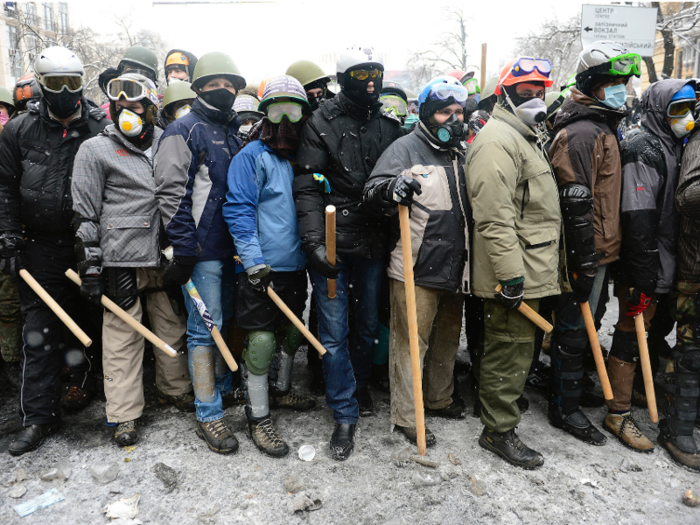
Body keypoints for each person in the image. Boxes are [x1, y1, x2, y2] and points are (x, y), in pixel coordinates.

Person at [72, 73, 194, 446]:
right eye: (120, 103)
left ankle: (174, 389)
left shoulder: (169, 142)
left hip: (161, 253)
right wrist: (91, 265)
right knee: (123, 336)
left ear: (152, 107)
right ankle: (124, 414)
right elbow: (84, 213)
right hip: (119, 257)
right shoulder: (95, 149)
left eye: (136, 104)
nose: (127, 109)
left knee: (170, 324)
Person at [294, 45, 403, 460]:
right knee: (334, 332)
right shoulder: (320, 122)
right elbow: (306, 186)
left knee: (368, 324)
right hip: (334, 239)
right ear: (343, 78)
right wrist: (315, 243)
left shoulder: (389, 126)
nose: (371, 81)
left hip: (374, 241)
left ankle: (357, 388)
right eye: (360, 74)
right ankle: (343, 411)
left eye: (375, 72)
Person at [0, 46, 109, 455]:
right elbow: (5, 186)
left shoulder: (101, 127)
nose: (66, 92)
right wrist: (9, 233)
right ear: (41, 86)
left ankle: (95, 391)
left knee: (95, 321)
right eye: (55, 84)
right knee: (39, 332)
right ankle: (38, 417)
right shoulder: (19, 130)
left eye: (73, 83)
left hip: (91, 242)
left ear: (83, 83)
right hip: (41, 246)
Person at [363, 76, 470, 446]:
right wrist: (390, 190)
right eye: (444, 111)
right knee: (411, 341)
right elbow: (372, 191)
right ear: (426, 113)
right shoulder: (404, 148)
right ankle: (407, 415)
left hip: (456, 264)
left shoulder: (462, 151)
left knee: (447, 338)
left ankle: (439, 397)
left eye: (458, 111)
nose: (452, 119)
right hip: (416, 263)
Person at [466, 57, 560, 469]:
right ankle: (497, 431)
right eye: (525, 91)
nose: (535, 97)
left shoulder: (526, 135)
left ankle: (501, 419)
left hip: (534, 263)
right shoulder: (496, 141)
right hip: (516, 268)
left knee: (518, 350)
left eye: (540, 90)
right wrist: (510, 276)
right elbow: (494, 216)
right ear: (503, 94)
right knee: (509, 349)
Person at [547, 42, 641, 449]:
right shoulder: (582, 132)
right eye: (614, 83)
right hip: (587, 253)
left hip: (605, 250)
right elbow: (574, 203)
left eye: (624, 82)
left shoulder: (605, 126)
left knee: (587, 326)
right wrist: (583, 261)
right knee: (572, 329)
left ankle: (571, 386)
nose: (622, 89)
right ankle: (563, 406)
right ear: (595, 85)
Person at [155, 51, 245, 455]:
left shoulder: (233, 132)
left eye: (229, 85)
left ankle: (223, 391)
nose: (223, 91)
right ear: (198, 88)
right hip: (201, 250)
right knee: (204, 330)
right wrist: (183, 249)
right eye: (214, 84)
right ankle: (208, 413)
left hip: (232, 249)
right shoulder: (184, 129)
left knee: (224, 323)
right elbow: (172, 192)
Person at [225, 75, 316, 457]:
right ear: (263, 113)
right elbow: (239, 209)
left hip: (296, 266)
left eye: (292, 110)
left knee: (291, 333)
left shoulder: (305, 156)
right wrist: (253, 260)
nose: (284, 119)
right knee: (260, 341)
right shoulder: (251, 157)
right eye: (274, 109)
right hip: (261, 268)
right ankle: (258, 415)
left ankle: (280, 392)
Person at [612, 79, 697, 453]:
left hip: (668, 260)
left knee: (651, 332)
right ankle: (618, 410)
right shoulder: (641, 147)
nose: (687, 118)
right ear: (659, 110)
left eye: (691, 109)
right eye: (678, 109)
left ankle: (639, 390)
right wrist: (642, 271)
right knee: (631, 332)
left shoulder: (674, 144)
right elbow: (638, 214)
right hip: (643, 260)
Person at [665, 103, 700, 471]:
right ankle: (678, 428)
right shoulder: (699, 143)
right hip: (695, 268)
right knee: (691, 351)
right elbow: (688, 197)